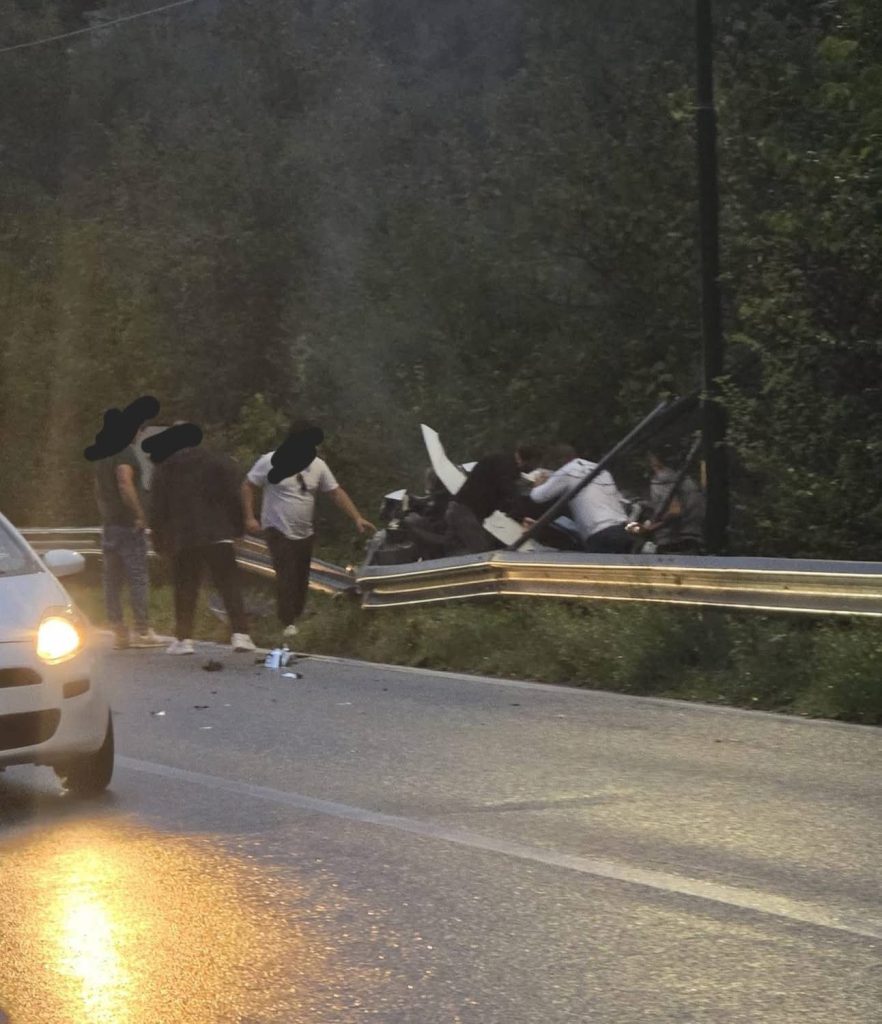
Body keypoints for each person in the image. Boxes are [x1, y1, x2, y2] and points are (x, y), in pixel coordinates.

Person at [242, 421, 375, 641]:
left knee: (301, 575)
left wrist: (357, 517)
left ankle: (296, 615)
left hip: (304, 530)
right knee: (285, 572)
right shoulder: (269, 461)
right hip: (277, 528)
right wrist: (249, 517)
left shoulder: (318, 466)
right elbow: (248, 485)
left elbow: (335, 492)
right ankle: (287, 621)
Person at [149, 436, 256, 655]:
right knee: (229, 584)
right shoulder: (218, 462)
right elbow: (233, 497)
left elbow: (157, 508)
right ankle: (241, 635)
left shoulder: (165, 468)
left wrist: (158, 541)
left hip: (184, 536)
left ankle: (184, 640)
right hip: (219, 533)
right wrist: (238, 529)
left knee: (186, 587)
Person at [93, 425, 166, 650]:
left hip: (110, 524)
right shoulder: (124, 453)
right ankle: (142, 630)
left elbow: (98, 488)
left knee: (112, 580)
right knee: (137, 576)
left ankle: (118, 629)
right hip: (128, 524)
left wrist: (106, 512)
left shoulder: (102, 454)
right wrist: (139, 514)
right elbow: (125, 482)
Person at [530, 444, 634, 554]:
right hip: (623, 529)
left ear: (559, 461)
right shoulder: (601, 470)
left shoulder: (567, 471)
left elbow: (538, 496)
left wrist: (538, 484)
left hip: (600, 533)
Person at [444, 443, 542, 555]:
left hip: (457, 508)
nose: (533, 468)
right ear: (528, 460)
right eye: (534, 463)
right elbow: (509, 495)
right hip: (467, 513)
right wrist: (523, 516)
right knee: (481, 554)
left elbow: (503, 496)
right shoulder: (508, 468)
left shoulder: (499, 460)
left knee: (454, 552)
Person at [639, 445, 705, 554]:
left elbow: (675, 511)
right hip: (694, 538)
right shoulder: (687, 479)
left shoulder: (661, 478)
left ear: (654, 459)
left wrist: (650, 527)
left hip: (673, 542)